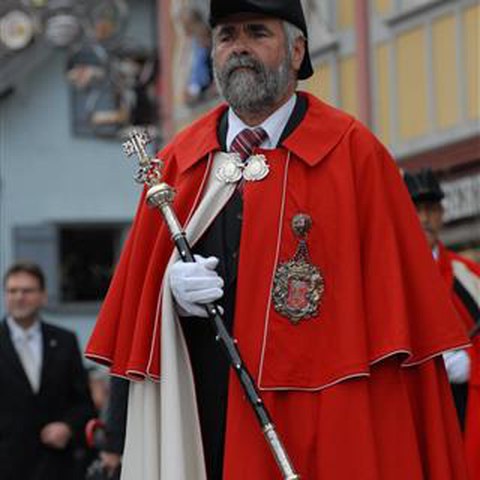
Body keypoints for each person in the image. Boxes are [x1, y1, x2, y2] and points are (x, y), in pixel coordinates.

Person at [86, 1, 471, 478]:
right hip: (207, 418)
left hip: (325, 421)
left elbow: (397, 317)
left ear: (297, 52)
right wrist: (170, 298)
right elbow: (136, 328)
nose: (239, 48)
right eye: (226, 36)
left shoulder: (353, 154)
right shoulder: (179, 162)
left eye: (256, 32)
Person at [0, 261, 95, 480]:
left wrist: (68, 427)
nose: (19, 297)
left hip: (56, 465)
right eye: (12, 291)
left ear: (43, 296)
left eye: (27, 290)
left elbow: (83, 403)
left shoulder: (65, 341)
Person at [404, 169, 480, 428]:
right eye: (417, 210)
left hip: (469, 406)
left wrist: (472, 363)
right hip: (416, 407)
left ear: (442, 214)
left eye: (431, 209)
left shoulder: (469, 274)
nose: (425, 218)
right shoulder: (390, 277)